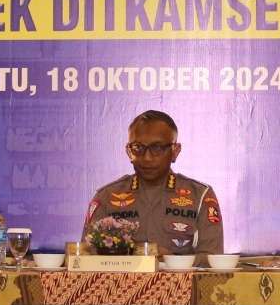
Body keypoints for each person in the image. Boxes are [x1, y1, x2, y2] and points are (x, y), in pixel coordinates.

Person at [79, 110, 224, 256]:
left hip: (180, 272)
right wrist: (132, 255)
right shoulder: (106, 197)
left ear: (175, 151)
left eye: (157, 148)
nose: (147, 157)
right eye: (138, 147)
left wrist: (170, 261)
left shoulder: (200, 196)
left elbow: (212, 258)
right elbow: (86, 255)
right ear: (129, 152)